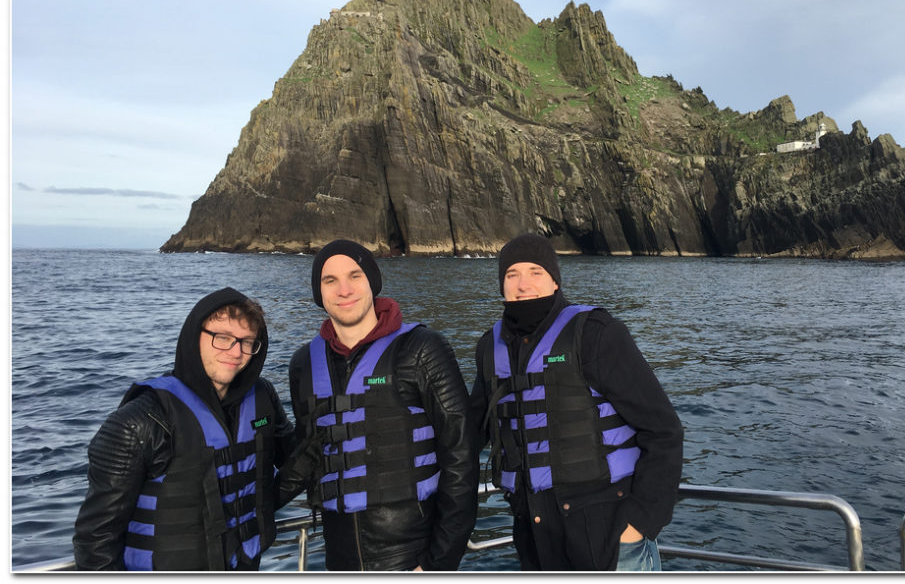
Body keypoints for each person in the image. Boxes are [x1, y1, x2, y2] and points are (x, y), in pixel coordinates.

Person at [470, 233, 684, 571]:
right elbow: (468, 436)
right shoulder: (488, 349)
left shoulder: (596, 333)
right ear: (501, 285)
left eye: (535, 272)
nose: (523, 284)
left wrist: (639, 524)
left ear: (554, 281)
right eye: (512, 275)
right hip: (535, 536)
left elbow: (664, 431)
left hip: (609, 534)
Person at [280, 239, 478, 571]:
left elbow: (462, 454)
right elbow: (306, 453)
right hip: (338, 558)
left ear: (372, 281)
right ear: (319, 293)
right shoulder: (304, 363)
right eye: (330, 281)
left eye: (354, 276)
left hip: (411, 557)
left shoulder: (421, 349)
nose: (344, 289)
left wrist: (437, 563)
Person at [73, 287, 295, 570]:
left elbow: (295, 461)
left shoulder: (262, 398)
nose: (236, 352)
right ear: (194, 336)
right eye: (222, 338)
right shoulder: (140, 421)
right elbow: (95, 540)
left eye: (247, 341)